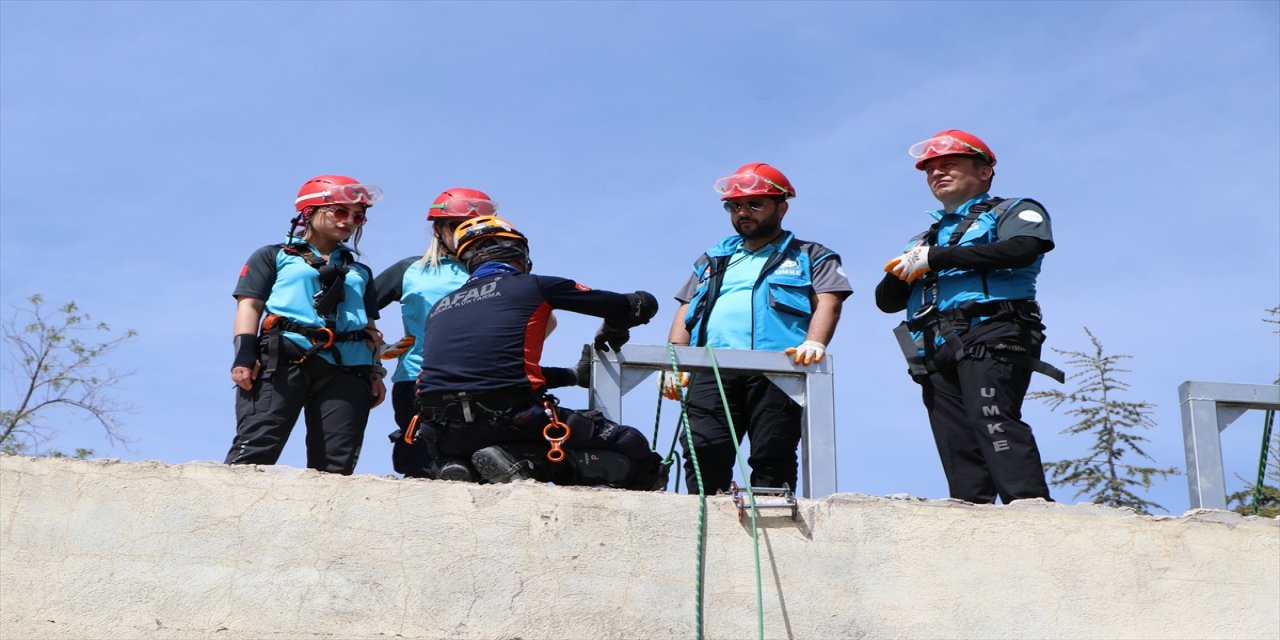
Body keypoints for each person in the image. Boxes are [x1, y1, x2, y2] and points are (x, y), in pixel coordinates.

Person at [875, 129, 1064, 504]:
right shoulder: (926, 237)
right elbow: (886, 301)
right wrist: (906, 265)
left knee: (991, 417)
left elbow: (1023, 249)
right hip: (935, 344)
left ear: (984, 172)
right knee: (955, 438)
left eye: (949, 165)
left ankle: (1029, 508)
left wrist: (938, 259)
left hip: (994, 329)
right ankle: (970, 514)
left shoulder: (1012, 210)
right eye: (930, 170)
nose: (937, 174)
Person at [407, 215, 665, 488]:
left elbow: (485, 374)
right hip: (509, 420)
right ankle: (523, 458)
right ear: (519, 254)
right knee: (631, 445)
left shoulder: (440, 308)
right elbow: (637, 305)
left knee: (491, 426)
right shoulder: (534, 286)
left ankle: (462, 466)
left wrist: (572, 376)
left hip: (443, 433)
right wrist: (613, 327)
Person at [664, 163, 852, 494]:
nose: (743, 213)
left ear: (782, 208)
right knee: (702, 448)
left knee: (772, 452)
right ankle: (708, 515)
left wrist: (815, 342)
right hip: (712, 367)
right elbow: (686, 308)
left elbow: (829, 300)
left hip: (777, 367)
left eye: (754, 204)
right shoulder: (714, 259)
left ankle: (771, 525)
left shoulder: (811, 255)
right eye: (734, 206)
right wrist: (675, 359)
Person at [227, 174, 387, 475]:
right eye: (340, 211)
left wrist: (376, 372)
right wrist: (244, 355)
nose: (349, 221)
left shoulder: (359, 270)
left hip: (349, 366)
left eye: (358, 215)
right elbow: (249, 305)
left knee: (336, 463)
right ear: (309, 212)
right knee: (258, 444)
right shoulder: (274, 256)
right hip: (285, 357)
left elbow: (368, 326)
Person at [371, 188, 500, 478]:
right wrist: (379, 348)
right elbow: (355, 310)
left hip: (485, 382)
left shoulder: (498, 271)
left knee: (483, 469)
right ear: (438, 228)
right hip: (418, 380)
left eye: (478, 226)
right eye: (458, 226)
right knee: (422, 466)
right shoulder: (411, 269)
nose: (467, 233)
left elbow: (536, 318)